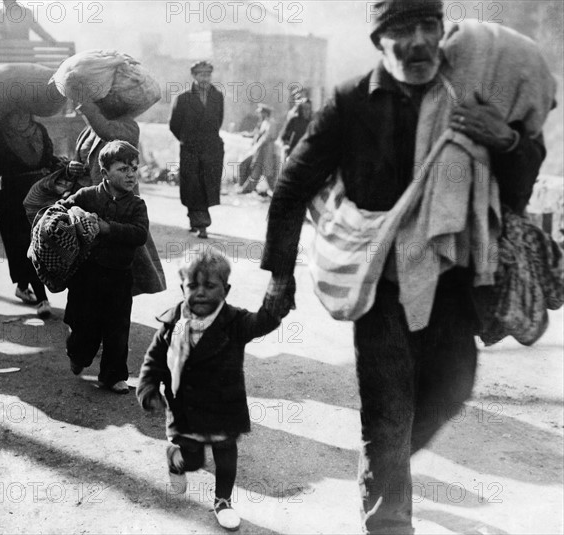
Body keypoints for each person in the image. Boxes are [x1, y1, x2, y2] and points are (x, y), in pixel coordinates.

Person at [260, 1, 550, 533]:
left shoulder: (472, 93)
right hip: (381, 280)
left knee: (450, 393)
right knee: (389, 410)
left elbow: (517, 188)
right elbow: (294, 183)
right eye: (401, 31)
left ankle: (381, 466)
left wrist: (503, 137)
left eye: (427, 27)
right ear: (378, 42)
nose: (417, 42)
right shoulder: (351, 102)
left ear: (441, 32)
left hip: (452, 280)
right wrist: (280, 275)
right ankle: (389, 517)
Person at [136, 251, 292, 530]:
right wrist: (148, 387)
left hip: (224, 407)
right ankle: (177, 460)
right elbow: (154, 359)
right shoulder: (173, 324)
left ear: (226, 289)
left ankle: (223, 501)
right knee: (194, 460)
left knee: (226, 456)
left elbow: (265, 320)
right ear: (182, 287)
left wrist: (278, 289)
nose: (200, 293)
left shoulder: (235, 323)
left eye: (210, 286)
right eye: (192, 286)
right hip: (187, 409)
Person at [0, 109, 79, 318]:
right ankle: (41, 297)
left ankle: (26, 288)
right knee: (21, 244)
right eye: (13, 113)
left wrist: (63, 164)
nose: (20, 117)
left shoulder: (39, 130)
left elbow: (46, 160)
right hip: (12, 195)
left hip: (39, 192)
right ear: (5, 114)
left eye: (24, 112)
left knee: (40, 241)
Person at [59, 141, 148, 394]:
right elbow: (63, 209)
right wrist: (71, 214)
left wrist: (109, 228)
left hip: (119, 278)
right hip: (86, 277)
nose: (131, 174)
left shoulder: (136, 205)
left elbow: (140, 234)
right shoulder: (87, 196)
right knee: (83, 326)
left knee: (117, 330)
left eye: (134, 168)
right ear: (105, 172)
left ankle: (113, 375)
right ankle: (77, 353)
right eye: (123, 169)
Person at [70, 100, 166, 296]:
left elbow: (108, 133)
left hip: (120, 204)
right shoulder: (87, 131)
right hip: (90, 203)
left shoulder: (127, 125)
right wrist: (73, 167)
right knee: (86, 265)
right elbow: (81, 157)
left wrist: (87, 106)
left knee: (118, 265)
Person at [169, 61, 225, 239]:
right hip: (190, 149)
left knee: (206, 185)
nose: (205, 79)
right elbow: (174, 125)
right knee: (193, 186)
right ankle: (201, 224)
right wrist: (187, 140)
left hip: (211, 149)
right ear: (194, 76)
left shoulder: (218, 97)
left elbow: (218, 121)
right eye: (201, 75)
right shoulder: (183, 98)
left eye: (207, 75)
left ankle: (198, 221)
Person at [237, 104, 278, 195]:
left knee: (267, 173)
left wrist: (258, 145)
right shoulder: (264, 122)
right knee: (258, 170)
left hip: (266, 150)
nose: (259, 115)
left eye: (261, 113)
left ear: (265, 113)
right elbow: (257, 134)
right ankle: (247, 188)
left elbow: (267, 137)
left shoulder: (271, 122)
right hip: (260, 150)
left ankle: (248, 189)